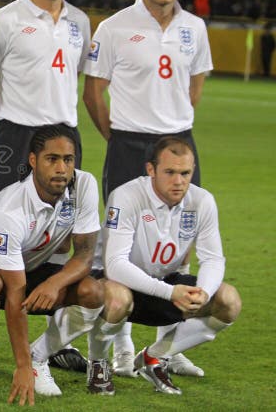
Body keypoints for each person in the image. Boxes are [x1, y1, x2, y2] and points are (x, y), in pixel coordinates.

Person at [82, 0, 212, 376]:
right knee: (123, 246)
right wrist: (117, 135)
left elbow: (195, 85)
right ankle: (120, 346)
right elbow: (93, 91)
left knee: (182, 241)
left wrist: (175, 130)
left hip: (178, 142)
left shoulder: (194, 27)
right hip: (130, 145)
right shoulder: (116, 27)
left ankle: (165, 349)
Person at [0, 0, 92, 373]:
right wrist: (4, 134)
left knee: (59, 234)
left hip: (64, 136)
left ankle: (53, 341)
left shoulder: (79, 22)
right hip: (16, 134)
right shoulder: (4, 20)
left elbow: (73, 79)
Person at [0, 126, 108, 403]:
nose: (62, 168)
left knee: (94, 294)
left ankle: (40, 357)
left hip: (36, 262)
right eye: (52, 159)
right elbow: (16, 292)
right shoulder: (10, 211)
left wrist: (54, 283)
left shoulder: (84, 185)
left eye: (68, 159)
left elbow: (84, 255)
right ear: (33, 161)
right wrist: (19, 366)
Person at [101, 137, 241, 395]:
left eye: (186, 173)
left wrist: (204, 293)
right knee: (118, 298)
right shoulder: (126, 196)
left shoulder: (202, 201)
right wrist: (170, 292)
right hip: (116, 287)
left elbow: (213, 258)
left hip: (164, 282)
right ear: (151, 170)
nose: (179, 181)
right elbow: (115, 265)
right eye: (170, 172)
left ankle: (155, 357)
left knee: (229, 300)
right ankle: (91, 363)